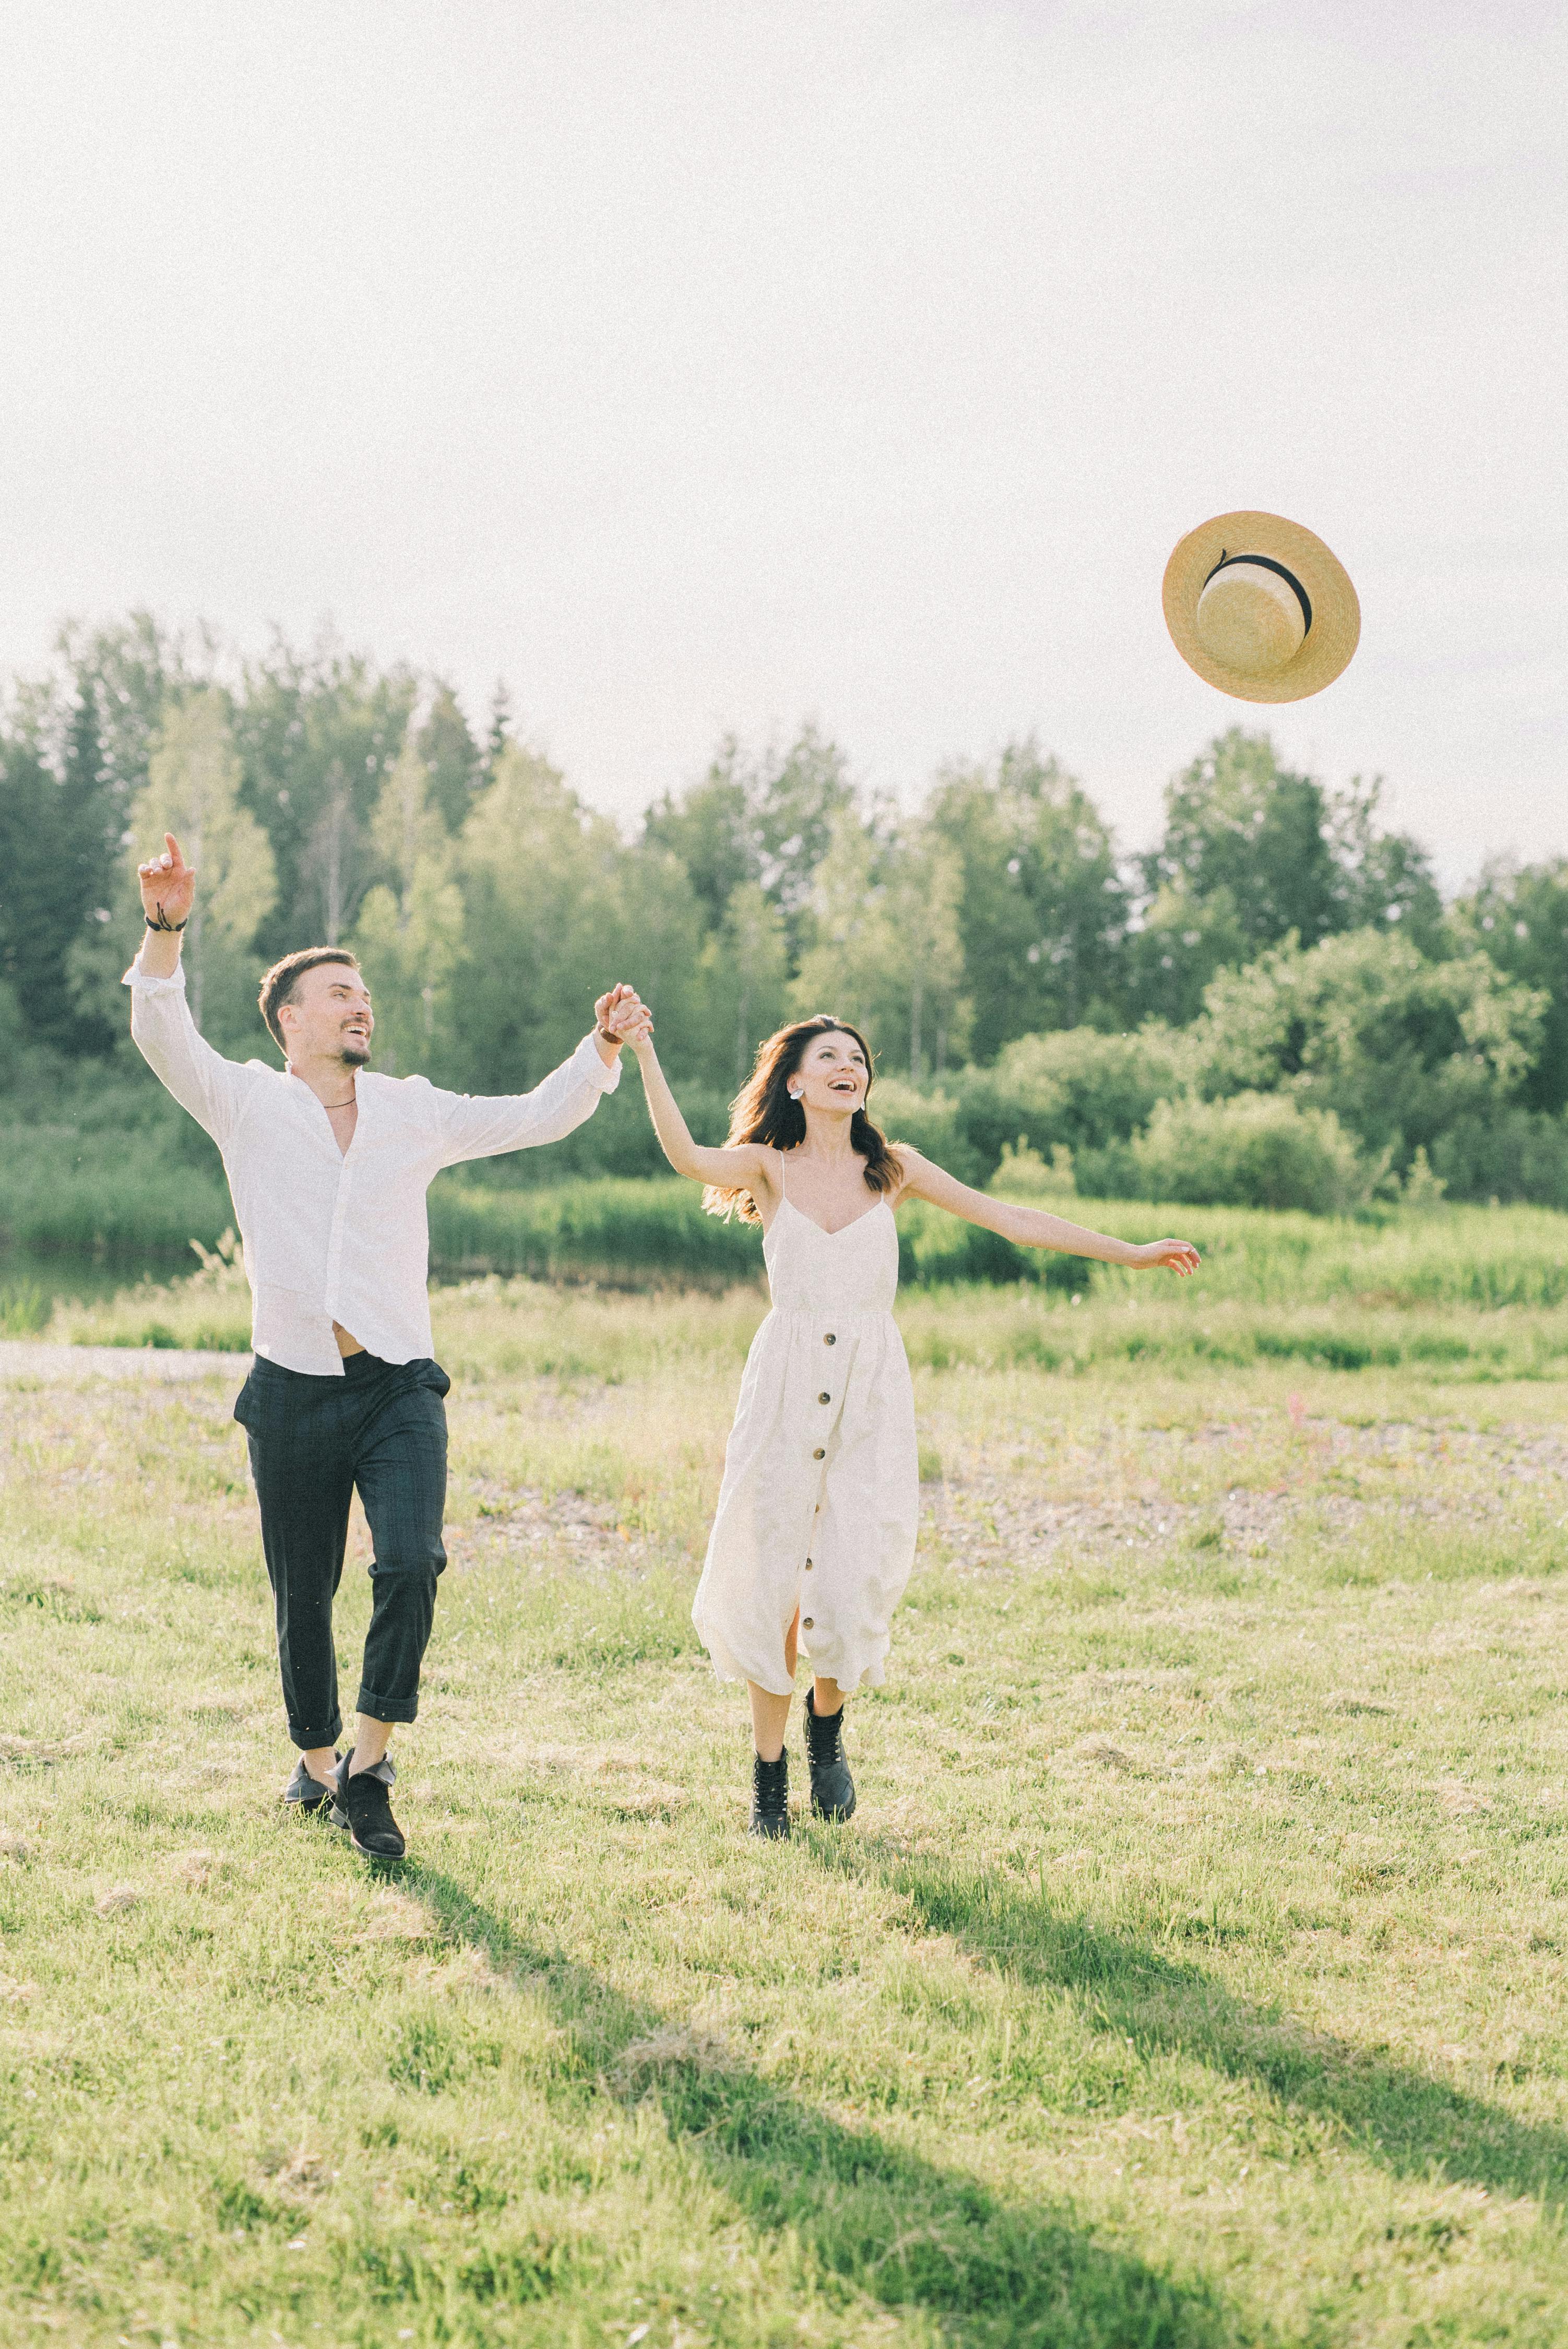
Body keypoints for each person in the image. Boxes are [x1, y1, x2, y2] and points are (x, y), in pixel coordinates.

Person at [127, 831, 646, 1860]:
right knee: (301, 1591)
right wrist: (166, 929)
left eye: (364, 993)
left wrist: (601, 1052)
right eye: (337, 994)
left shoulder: (413, 1110)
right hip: (288, 1389)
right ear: (289, 1021)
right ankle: (315, 1760)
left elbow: (538, 1115)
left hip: (397, 1382)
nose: (360, 1006)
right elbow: (160, 1030)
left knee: (411, 1562)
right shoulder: (243, 1102)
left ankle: (371, 1762)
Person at [628, 1010, 1201, 1837]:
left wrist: (1131, 1252)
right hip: (786, 1389)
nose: (846, 1067)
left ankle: (827, 1732)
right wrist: (643, 1047)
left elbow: (1014, 1220)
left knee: (848, 1577)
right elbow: (685, 1156)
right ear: (794, 1081)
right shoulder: (765, 1166)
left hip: (870, 1397)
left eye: (856, 1059)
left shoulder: (893, 1170)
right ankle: (767, 1784)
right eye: (828, 1057)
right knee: (774, 1583)